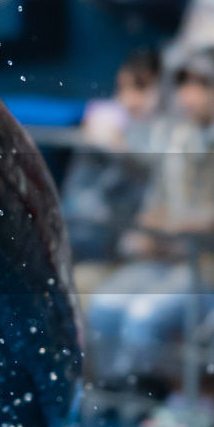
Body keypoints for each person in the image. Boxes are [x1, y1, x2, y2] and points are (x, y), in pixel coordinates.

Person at [86, 46, 214, 390]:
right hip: (167, 259)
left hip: (210, 269)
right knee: (103, 306)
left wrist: (181, 227)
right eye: (184, 83)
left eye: (202, 83)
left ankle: (145, 402)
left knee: (144, 316)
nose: (189, 94)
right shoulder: (178, 139)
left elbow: (213, 221)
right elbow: (156, 208)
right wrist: (157, 229)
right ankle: (112, 402)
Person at [62, 48, 161, 265]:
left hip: (141, 241)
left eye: (140, 87)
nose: (128, 99)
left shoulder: (171, 129)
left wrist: (122, 149)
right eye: (122, 88)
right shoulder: (108, 119)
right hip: (88, 231)